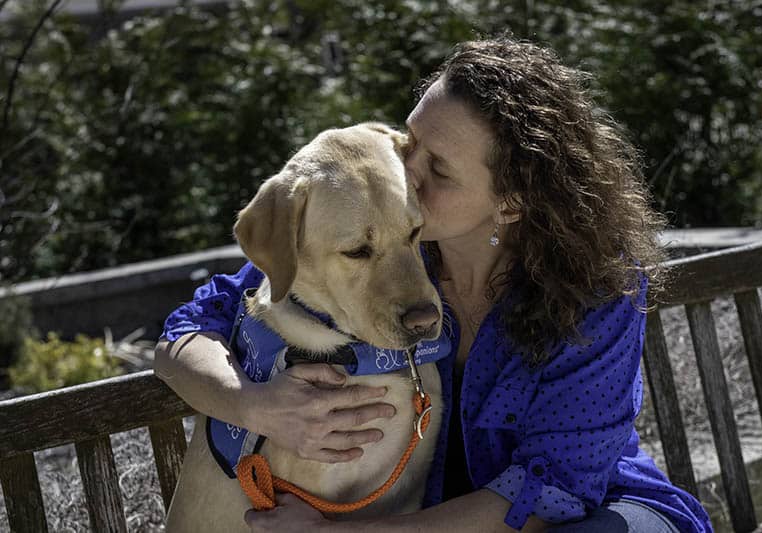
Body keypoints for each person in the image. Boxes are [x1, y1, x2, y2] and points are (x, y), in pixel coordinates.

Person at [156, 36, 712, 532]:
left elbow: (550, 495)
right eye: (410, 140)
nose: (407, 170)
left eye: (439, 169)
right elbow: (193, 324)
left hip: (598, 515)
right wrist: (253, 407)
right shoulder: (380, 233)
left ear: (512, 202)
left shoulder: (598, 286)